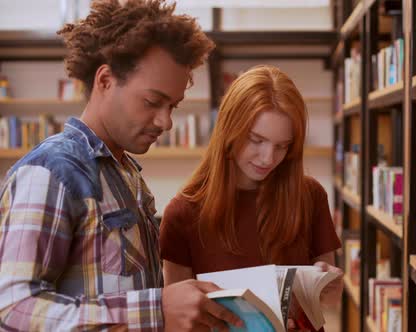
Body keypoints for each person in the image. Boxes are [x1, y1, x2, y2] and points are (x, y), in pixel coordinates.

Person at [0, 0, 243, 331]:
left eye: (172, 106)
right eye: (152, 102)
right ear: (104, 81)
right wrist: (155, 311)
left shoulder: (125, 171)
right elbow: (12, 308)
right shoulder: (52, 172)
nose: (166, 121)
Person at [159, 65, 344, 330]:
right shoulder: (183, 213)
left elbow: (331, 298)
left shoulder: (310, 196)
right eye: (256, 140)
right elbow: (180, 321)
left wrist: (328, 285)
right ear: (229, 130)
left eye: (282, 146)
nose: (268, 158)